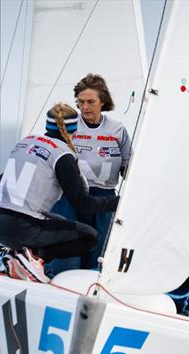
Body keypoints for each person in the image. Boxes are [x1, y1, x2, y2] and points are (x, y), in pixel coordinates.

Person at [0, 103, 119, 283]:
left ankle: (19, 256)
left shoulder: (25, 142)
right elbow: (83, 203)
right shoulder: (62, 154)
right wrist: (119, 202)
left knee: (60, 222)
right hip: (22, 229)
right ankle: (36, 256)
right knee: (89, 236)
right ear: (74, 130)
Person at [48, 73, 132, 275]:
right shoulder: (70, 126)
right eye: (81, 102)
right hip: (71, 196)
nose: (85, 107)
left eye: (90, 102)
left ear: (102, 101)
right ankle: (58, 282)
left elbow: (128, 166)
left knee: (98, 255)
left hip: (103, 197)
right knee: (67, 254)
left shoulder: (117, 130)